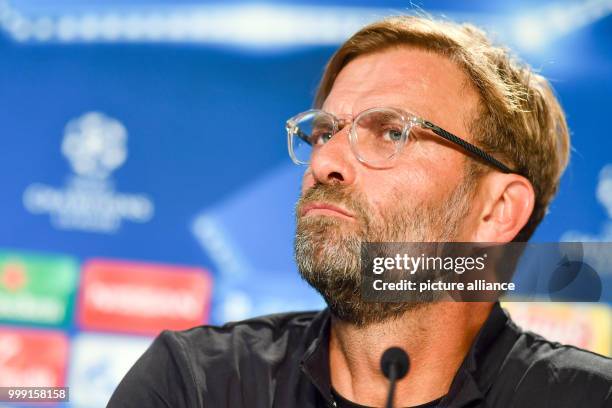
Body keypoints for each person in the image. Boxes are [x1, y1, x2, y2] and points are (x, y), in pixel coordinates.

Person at [107, 15, 612, 408]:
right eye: (324, 133)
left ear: (498, 209)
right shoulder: (196, 384)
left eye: (391, 132)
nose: (324, 161)